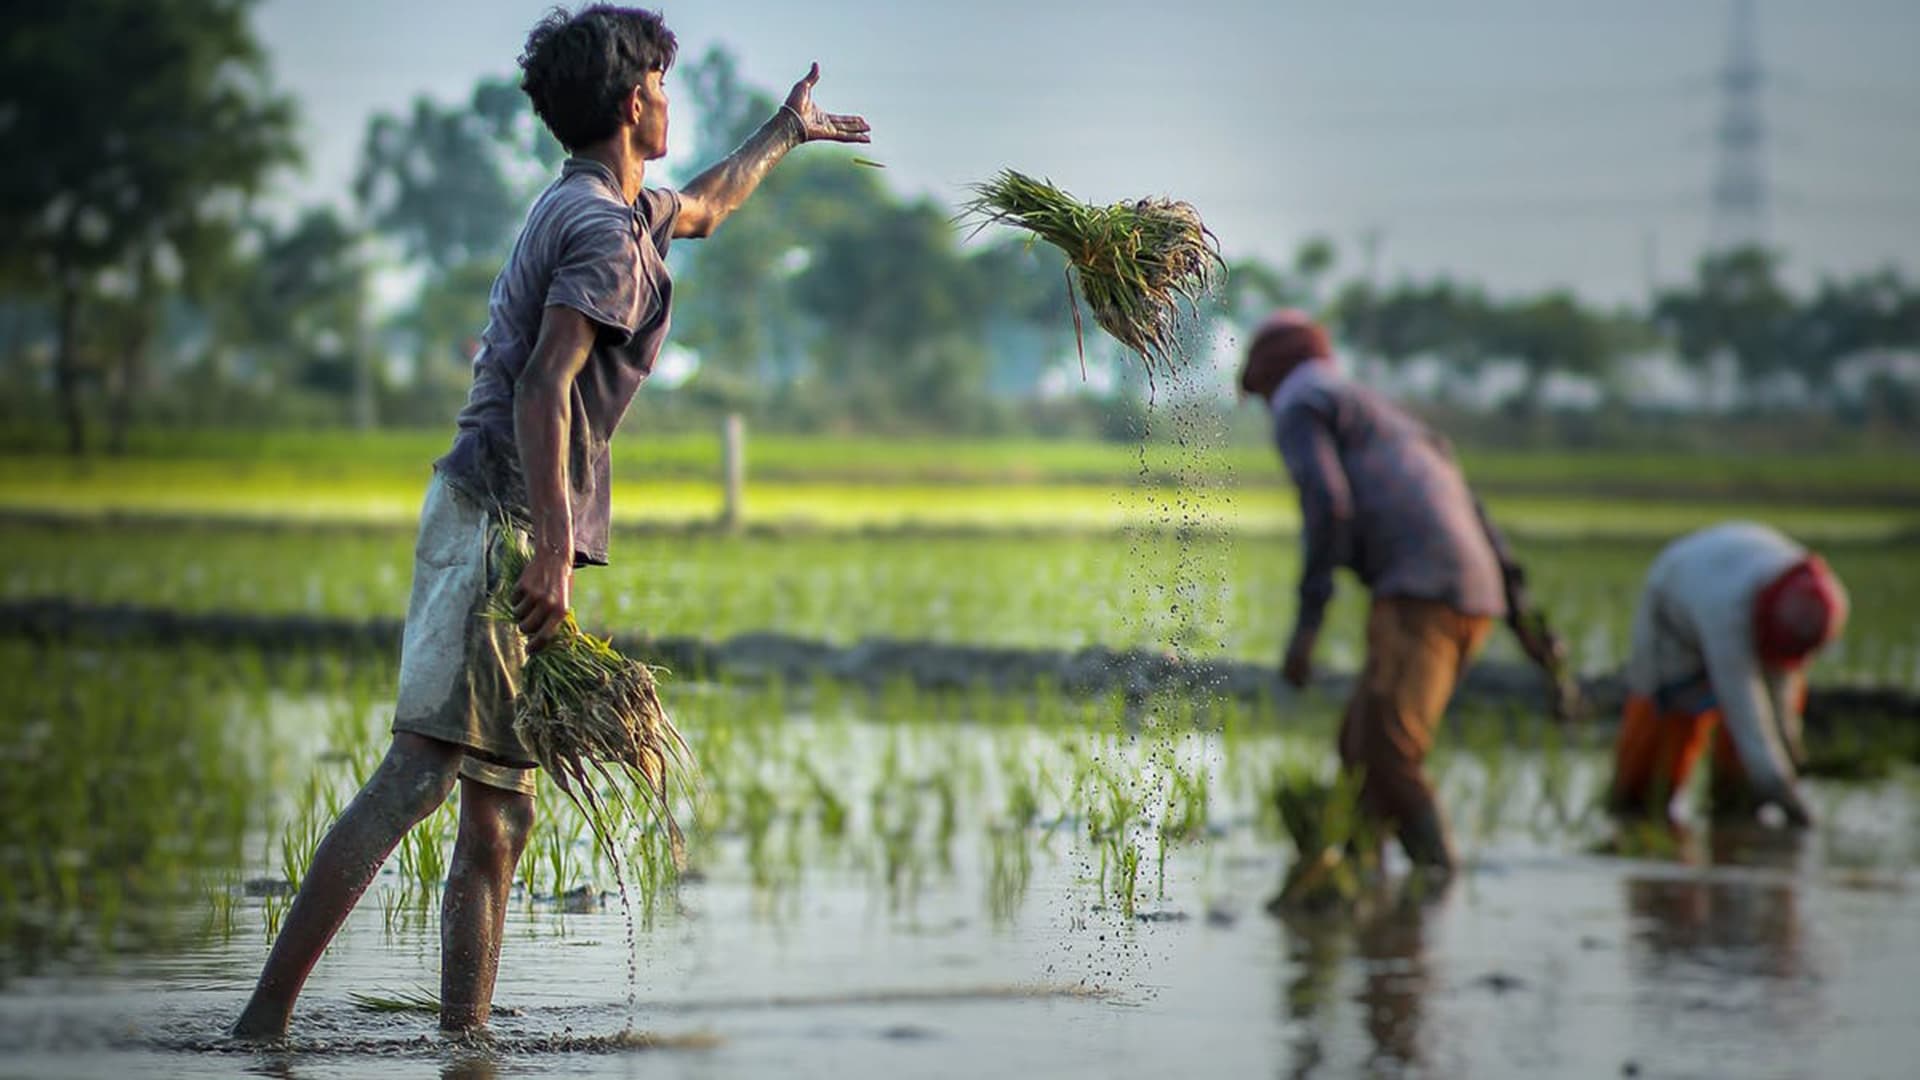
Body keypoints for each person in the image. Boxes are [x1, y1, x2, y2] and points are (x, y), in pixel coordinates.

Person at [231, 5, 868, 1040]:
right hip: (500, 522)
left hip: (505, 515)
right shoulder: (598, 230)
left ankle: (463, 1038)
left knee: (500, 808)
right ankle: (262, 1026)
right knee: (418, 779)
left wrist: (786, 130)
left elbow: (706, 206)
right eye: (663, 84)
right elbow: (543, 384)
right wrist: (556, 552)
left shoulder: (604, 206)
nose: (671, 99)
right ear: (634, 101)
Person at [1238, 310, 1564, 874]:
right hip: (1473, 592)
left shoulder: (1301, 403)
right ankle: (1359, 880)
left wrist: (1307, 627)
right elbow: (1479, 520)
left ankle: (1437, 880)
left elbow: (1328, 505)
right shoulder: (1391, 416)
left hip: (1422, 591)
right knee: (1359, 748)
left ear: (1270, 376)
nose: (1269, 408)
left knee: (1389, 755)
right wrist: (1532, 633)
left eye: (1262, 395)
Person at [1608, 522, 1846, 827]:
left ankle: (1734, 810)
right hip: (1673, 612)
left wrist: (1789, 747)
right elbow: (1745, 710)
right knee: (1664, 736)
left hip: (1728, 584)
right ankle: (1637, 816)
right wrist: (1787, 796)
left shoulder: (1819, 598)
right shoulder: (1727, 610)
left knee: (1745, 765)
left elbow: (1781, 684)